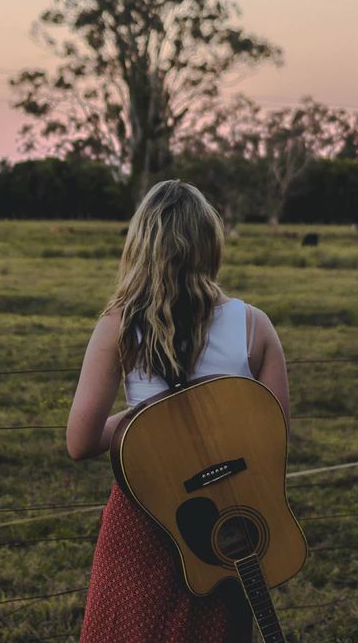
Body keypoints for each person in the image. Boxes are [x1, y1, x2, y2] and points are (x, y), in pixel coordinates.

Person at [66, 179, 291, 643]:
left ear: (141, 245)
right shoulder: (254, 325)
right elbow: (275, 440)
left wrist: (147, 419)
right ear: (210, 244)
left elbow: (81, 441)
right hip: (227, 523)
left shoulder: (119, 325)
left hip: (144, 514)